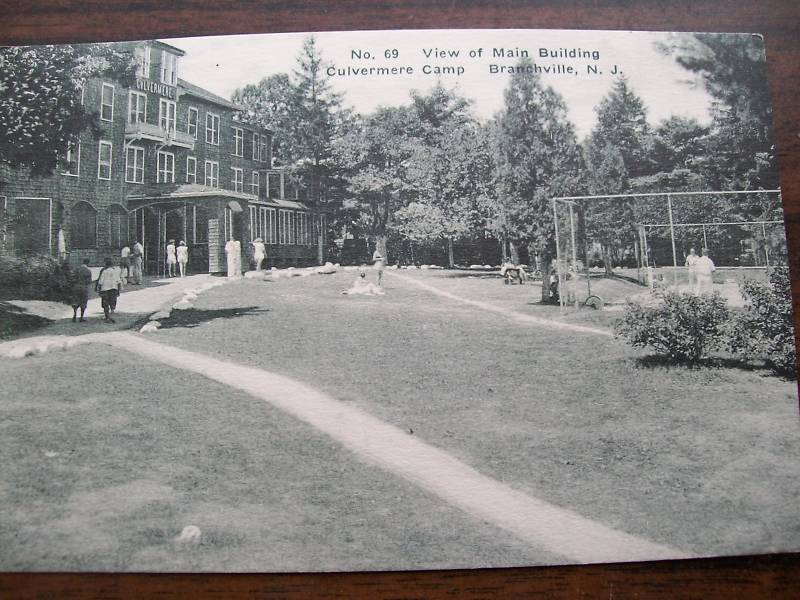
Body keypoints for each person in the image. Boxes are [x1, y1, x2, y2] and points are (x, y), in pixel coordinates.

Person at [95, 257, 122, 323]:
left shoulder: (104, 271)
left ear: (106, 265)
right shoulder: (115, 271)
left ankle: (107, 316)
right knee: (112, 302)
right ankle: (111, 315)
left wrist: (98, 289)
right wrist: (118, 290)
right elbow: (119, 282)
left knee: (105, 303)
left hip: (105, 289)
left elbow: (100, 282)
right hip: (113, 289)